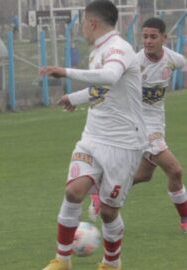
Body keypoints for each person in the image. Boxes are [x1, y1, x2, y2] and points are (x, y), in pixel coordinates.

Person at [39, 1, 146, 270]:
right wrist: (74, 98)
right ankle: (62, 260)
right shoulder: (98, 51)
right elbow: (102, 89)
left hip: (123, 142)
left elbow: (109, 77)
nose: (81, 28)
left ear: (92, 23)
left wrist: (65, 72)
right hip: (93, 136)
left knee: (109, 211)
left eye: (82, 23)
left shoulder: (119, 49)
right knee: (74, 192)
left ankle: (112, 263)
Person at [89, 17, 187, 232]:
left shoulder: (173, 59)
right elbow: (111, 85)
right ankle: (185, 219)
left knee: (143, 175)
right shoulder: (134, 63)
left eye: (153, 37)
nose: (148, 41)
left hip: (157, 125)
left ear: (164, 38)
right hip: (139, 126)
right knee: (175, 170)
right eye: (145, 36)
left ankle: (102, 188)